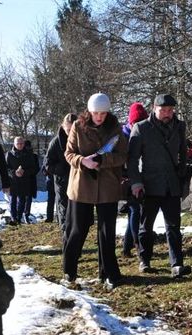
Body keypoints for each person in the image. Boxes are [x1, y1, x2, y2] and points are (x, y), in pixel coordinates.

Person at [63, 92, 128, 289]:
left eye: (103, 113)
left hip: (107, 186)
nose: (99, 117)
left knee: (107, 232)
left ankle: (108, 272)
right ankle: (69, 271)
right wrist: (83, 161)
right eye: (96, 113)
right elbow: (69, 153)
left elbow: (122, 155)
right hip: (81, 186)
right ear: (89, 112)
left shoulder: (116, 129)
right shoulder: (77, 126)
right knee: (77, 229)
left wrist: (103, 160)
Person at [127, 93, 191, 277]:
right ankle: (144, 260)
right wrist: (136, 182)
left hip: (172, 184)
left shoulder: (179, 127)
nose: (167, 113)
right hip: (149, 184)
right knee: (146, 227)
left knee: (173, 227)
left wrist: (181, 174)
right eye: (163, 110)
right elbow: (132, 161)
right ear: (154, 109)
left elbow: (183, 153)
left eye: (170, 110)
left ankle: (176, 264)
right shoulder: (141, 128)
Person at [120, 101, 148, 258]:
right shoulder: (123, 136)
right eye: (135, 122)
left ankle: (126, 247)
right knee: (135, 211)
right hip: (127, 179)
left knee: (134, 213)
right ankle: (138, 245)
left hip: (141, 177)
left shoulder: (144, 133)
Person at [44, 113, 77, 231]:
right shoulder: (55, 142)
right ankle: (65, 235)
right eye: (68, 129)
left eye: (73, 129)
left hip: (77, 181)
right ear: (63, 127)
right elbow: (47, 165)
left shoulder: (80, 140)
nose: (71, 132)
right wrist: (62, 168)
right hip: (62, 181)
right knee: (64, 210)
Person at [6, 136, 39, 224]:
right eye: (18, 144)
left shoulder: (29, 155)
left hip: (25, 181)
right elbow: (6, 168)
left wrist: (24, 172)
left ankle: (19, 217)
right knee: (13, 200)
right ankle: (13, 218)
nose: (20, 145)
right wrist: (14, 172)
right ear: (14, 144)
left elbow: (34, 168)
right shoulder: (9, 154)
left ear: (24, 144)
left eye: (21, 143)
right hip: (13, 181)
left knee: (22, 200)